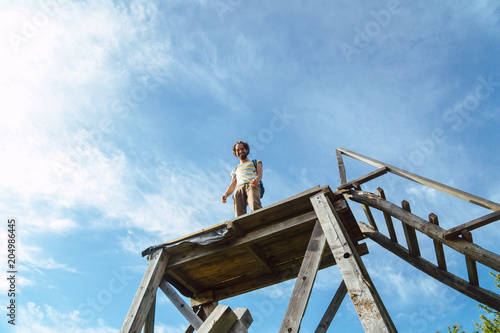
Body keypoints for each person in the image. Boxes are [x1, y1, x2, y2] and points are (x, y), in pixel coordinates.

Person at [221, 141, 263, 217]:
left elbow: (260, 174)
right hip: (238, 189)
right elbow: (233, 184)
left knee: (255, 205)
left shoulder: (256, 162)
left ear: (246, 150)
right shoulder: (235, 169)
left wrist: (256, 180)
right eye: (238, 150)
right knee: (239, 213)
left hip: (252, 185)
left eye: (242, 149)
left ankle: (261, 222)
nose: (240, 151)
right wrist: (226, 194)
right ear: (235, 153)